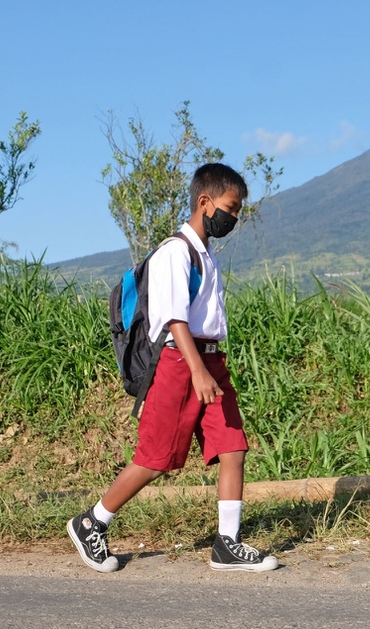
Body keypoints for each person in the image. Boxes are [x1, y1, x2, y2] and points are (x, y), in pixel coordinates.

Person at [67, 163, 278, 573]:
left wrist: (208, 367)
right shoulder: (174, 252)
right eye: (231, 209)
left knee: (233, 447)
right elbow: (173, 319)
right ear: (205, 202)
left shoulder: (206, 255)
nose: (233, 218)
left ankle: (227, 544)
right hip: (182, 363)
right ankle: (91, 522)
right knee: (155, 458)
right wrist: (197, 370)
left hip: (211, 361)